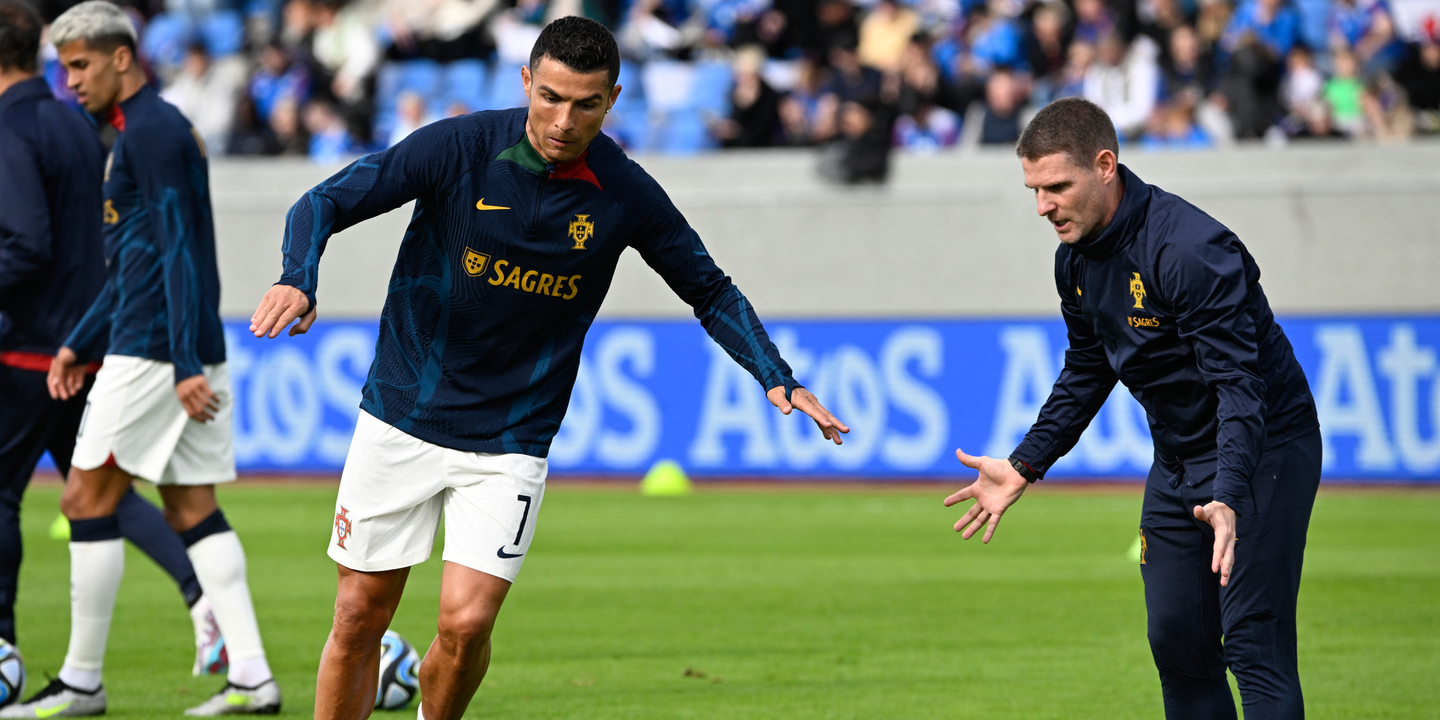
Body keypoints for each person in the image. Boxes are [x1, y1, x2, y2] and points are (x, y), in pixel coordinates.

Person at [247, 16, 849, 720]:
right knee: (358, 614)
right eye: (551, 97)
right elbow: (325, 199)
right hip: (403, 413)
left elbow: (708, 288)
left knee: (467, 625)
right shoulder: (460, 147)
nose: (564, 120)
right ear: (526, 81)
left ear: (613, 98)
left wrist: (776, 373)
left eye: (585, 104)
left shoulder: (625, 192)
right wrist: (299, 275)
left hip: (512, 436)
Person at [943, 97, 1320, 720]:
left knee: (1255, 645)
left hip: (1262, 453)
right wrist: (1024, 464)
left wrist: (1229, 492)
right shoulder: (1075, 261)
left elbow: (1238, 387)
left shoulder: (1190, 250)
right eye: (1033, 190)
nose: (1043, 206)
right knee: (1178, 642)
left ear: (1106, 165)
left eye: (1057, 187)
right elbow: (1089, 368)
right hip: (1177, 463)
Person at [2, 2, 280, 716]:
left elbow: (181, 249)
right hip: (162, 342)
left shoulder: (150, 133)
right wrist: (78, 340)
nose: (71, 81)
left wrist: (183, 359)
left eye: (81, 65)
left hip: (156, 350)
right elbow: (135, 260)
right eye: (64, 67)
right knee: (192, 506)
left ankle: (82, 682)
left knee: (83, 498)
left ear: (122, 57)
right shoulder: (139, 132)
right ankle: (253, 676)